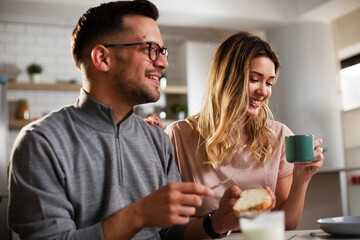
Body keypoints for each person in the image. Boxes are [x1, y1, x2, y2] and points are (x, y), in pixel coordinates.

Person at [7, 1, 221, 239]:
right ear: (102, 58)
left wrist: (216, 223)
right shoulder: (41, 142)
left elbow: (172, 232)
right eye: (150, 48)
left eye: (162, 51)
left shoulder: (157, 140)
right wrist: (138, 215)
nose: (163, 63)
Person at [164, 31, 324, 233]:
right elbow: (170, 229)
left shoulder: (280, 136)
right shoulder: (178, 136)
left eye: (269, 83)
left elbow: (286, 225)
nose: (263, 91)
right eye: (254, 79)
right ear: (226, 78)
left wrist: (302, 178)